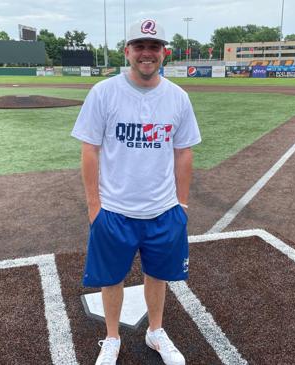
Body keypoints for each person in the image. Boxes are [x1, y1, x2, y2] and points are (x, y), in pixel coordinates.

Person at [71, 18, 201, 365]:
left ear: (164, 53)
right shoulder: (104, 92)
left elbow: (184, 152)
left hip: (162, 209)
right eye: (140, 47)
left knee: (157, 275)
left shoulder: (177, 97)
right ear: (127, 51)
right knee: (111, 278)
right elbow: (89, 149)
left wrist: (182, 204)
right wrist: (94, 206)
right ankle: (111, 338)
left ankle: (155, 331)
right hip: (114, 209)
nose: (147, 53)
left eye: (154, 47)